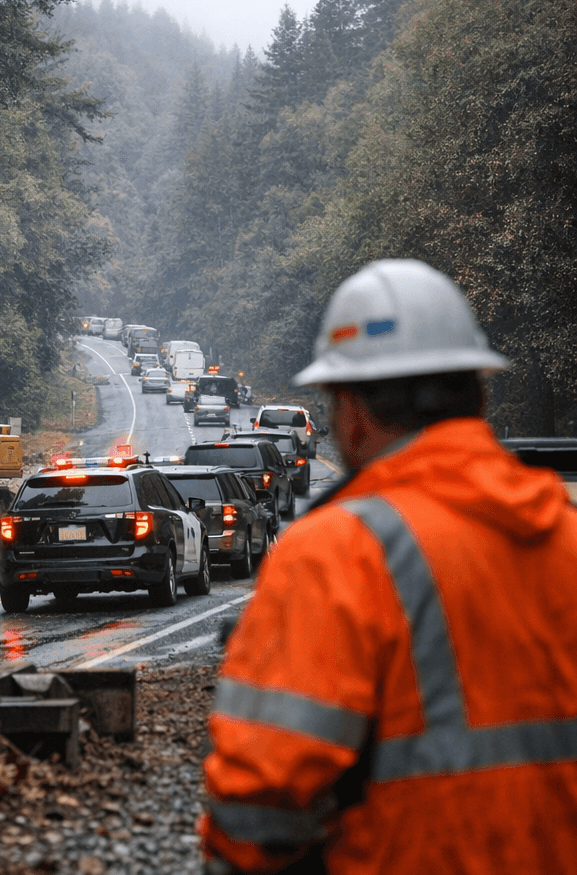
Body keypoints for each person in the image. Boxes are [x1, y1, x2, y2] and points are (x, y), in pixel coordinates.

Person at [200, 259, 577, 874]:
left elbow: (259, 805)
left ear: (350, 415)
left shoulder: (336, 552)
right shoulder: (564, 531)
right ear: (479, 393)